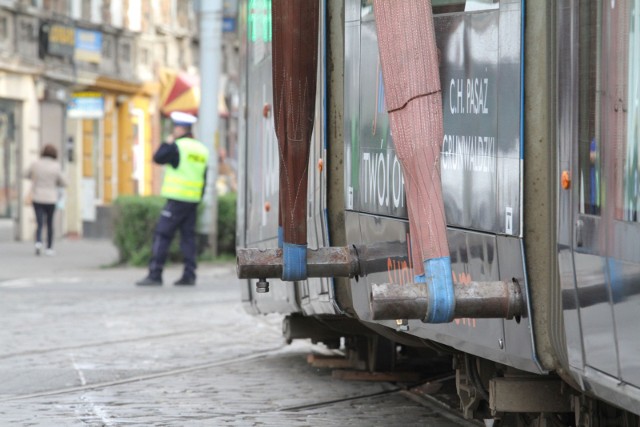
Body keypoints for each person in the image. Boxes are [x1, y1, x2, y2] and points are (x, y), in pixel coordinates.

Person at [136, 111, 210, 286]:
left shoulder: (178, 146)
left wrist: (167, 142)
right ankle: (189, 275)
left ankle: (155, 274)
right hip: (192, 200)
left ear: (179, 128)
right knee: (188, 238)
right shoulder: (201, 149)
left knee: (162, 235)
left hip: (176, 199)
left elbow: (158, 157)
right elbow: (204, 177)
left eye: (175, 128)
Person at [25, 144, 66, 256]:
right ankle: (49, 248)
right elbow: (64, 182)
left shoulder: (35, 164)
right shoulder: (56, 166)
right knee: (49, 222)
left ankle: (38, 242)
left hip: (37, 197)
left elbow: (26, 174)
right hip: (51, 198)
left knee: (39, 222)